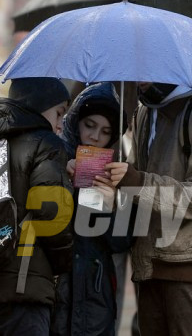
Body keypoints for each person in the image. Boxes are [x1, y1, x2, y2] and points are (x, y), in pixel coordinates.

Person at [105, 82, 192, 336]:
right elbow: (136, 178)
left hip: (191, 266)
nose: (139, 76)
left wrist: (136, 182)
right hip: (149, 264)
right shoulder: (144, 109)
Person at [0, 77, 75, 335]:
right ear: (39, 106)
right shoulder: (46, 144)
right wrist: (63, 265)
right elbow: (52, 218)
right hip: (23, 289)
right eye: (59, 113)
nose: (59, 124)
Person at [52, 83, 132, 336]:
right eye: (90, 125)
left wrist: (110, 206)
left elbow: (121, 241)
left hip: (96, 291)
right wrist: (61, 178)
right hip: (57, 288)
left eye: (106, 131)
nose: (96, 136)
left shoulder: (116, 170)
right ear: (76, 123)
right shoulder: (53, 157)